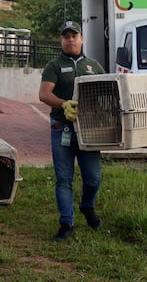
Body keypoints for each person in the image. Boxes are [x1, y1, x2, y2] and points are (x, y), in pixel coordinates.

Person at [39, 20, 105, 241]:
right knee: (64, 179)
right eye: (66, 36)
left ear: (81, 38)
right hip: (62, 129)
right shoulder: (54, 66)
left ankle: (87, 206)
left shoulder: (94, 66)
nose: (70, 39)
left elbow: (106, 91)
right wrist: (63, 104)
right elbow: (44, 94)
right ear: (61, 40)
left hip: (89, 131)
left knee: (93, 177)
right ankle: (66, 223)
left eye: (73, 35)